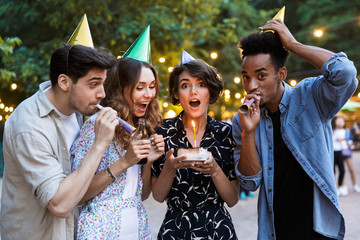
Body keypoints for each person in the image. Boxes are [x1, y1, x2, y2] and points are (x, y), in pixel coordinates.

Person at [232, 19, 358, 240]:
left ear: (281, 74)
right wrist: (248, 132)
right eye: (246, 77)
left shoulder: (309, 96)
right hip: (276, 229)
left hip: (319, 228)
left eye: (261, 76)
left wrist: (293, 44)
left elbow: (345, 73)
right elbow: (250, 183)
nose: (251, 86)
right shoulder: (241, 120)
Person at [0, 44, 116, 240]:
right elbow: (59, 204)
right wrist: (99, 144)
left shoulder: (76, 110)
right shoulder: (30, 126)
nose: (102, 94)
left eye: (102, 83)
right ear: (64, 82)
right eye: (93, 84)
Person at [70, 57, 164, 238]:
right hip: (101, 230)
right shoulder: (97, 126)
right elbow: (79, 196)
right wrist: (125, 161)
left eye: (152, 86)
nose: (149, 94)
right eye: (140, 87)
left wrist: (148, 162)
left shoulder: (139, 128)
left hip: (136, 227)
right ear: (121, 90)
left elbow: (142, 196)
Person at [152, 51, 239, 240]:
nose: (193, 91)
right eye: (185, 85)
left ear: (211, 91)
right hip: (175, 229)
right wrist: (169, 167)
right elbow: (157, 196)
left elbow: (232, 199)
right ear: (176, 93)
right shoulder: (162, 132)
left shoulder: (226, 133)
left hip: (217, 229)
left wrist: (215, 170)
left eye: (201, 84)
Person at [331, 116, 348, 196]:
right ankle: (334, 188)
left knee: (342, 170)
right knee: (333, 171)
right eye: (339, 120)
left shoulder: (345, 131)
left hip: (341, 152)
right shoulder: (332, 130)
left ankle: (340, 186)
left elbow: (346, 141)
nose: (341, 122)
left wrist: (343, 141)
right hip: (333, 152)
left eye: (342, 121)